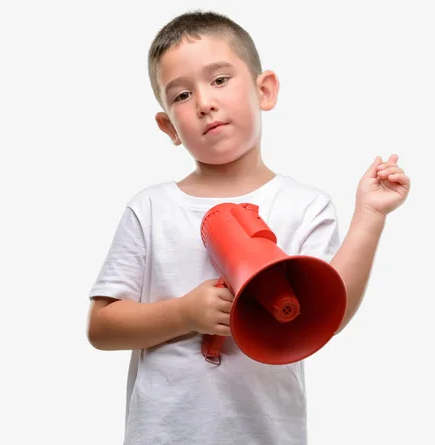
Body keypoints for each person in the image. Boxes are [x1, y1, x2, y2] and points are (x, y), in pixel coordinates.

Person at [86, 9, 410, 445]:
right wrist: (183, 314)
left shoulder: (303, 206)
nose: (204, 102)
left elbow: (327, 316)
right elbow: (102, 328)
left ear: (265, 90)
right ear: (168, 127)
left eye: (220, 80)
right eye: (181, 95)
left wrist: (369, 216)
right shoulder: (151, 208)